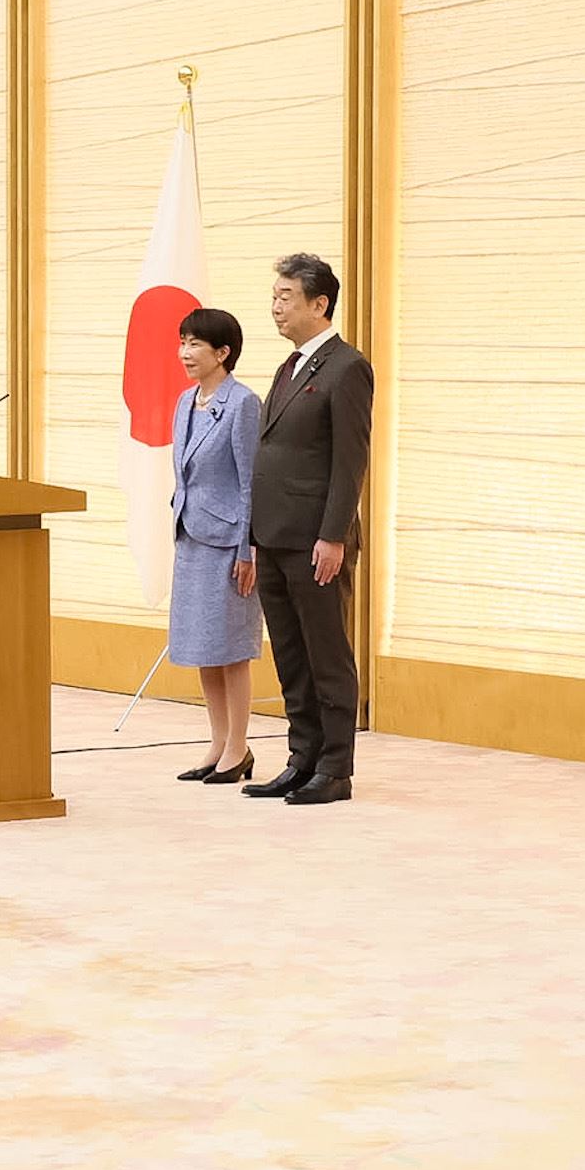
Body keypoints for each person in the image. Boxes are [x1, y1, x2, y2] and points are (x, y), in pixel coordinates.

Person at [242, 253, 371, 807]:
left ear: (319, 304)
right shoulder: (289, 366)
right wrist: (252, 531)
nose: (276, 307)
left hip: (316, 539)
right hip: (274, 534)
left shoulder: (346, 367)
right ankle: (302, 758)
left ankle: (335, 768)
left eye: (286, 297)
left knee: (327, 654)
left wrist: (334, 535)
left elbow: (350, 461)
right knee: (291, 654)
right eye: (274, 296)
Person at [165, 308, 264, 784]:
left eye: (195, 344)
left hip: (229, 544)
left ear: (222, 353)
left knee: (231, 649)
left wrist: (248, 548)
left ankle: (239, 748)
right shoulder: (185, 401)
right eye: (183, 342)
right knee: (203, 647)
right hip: (191, 536)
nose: (185, 353)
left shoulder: (243, 404)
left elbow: (251, 482)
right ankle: (218, 742)